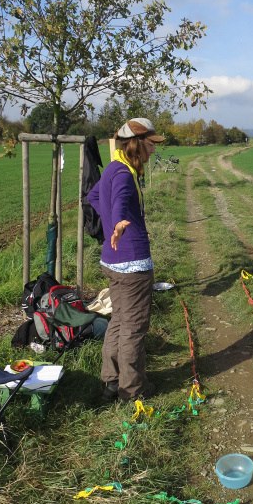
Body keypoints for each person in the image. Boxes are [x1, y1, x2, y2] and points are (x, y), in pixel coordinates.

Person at [87, 117, 165, 402]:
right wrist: (118, 221)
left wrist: (110, 223)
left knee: (119, 320)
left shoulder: (114, 167)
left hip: (112, 260)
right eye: (150, 144)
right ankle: (132, 389)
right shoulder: (123, 174)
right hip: (132, 262)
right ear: (136, 144)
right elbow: (118, 200)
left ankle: (111, 380)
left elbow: (93, 196)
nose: (154, 150)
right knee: (134, 327)